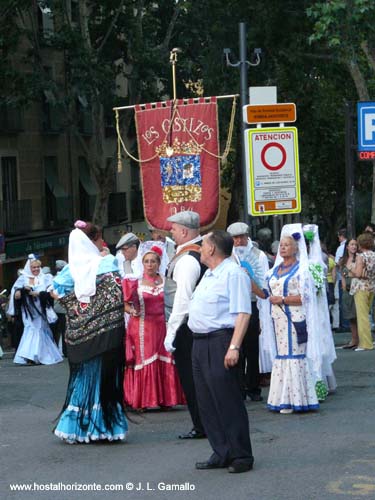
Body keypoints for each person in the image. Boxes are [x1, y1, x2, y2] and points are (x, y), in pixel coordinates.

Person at [53, 221, 128, 443]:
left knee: (83, 379)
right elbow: (117, 295)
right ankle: (104, 426)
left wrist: (76, 303)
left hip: (80, 337)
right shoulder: (107, 263)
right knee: (104, 379)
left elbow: (56, 293)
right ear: (93, 241)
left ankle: (77, 428)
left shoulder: (70, 270)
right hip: (106, 335)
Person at [188, 230, 254, 473]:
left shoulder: (233, 273)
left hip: (221, 341)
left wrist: (234, 346)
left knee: (227, 400)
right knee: (206, 401)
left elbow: (243, 313)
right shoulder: (210, 274)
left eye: (203, 244)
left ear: (213, 249)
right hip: (200, 341)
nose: (200, 248)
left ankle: (241, 455)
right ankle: (221, 450)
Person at [262, 223, 319, 414]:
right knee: (282, 356)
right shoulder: (273, 271)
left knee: (294, 356)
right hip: (277, 321)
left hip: (294, 319)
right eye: (281, 245)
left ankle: (298, 399)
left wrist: (283, 299)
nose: (283, 247)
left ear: (296, 248)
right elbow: (264, 293)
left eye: (287, 244)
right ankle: (283, 399)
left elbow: (306, 298)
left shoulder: (302, 270)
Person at [122, 245, 185, 410]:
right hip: (142, 327)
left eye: (153, 261)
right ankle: (143, 400)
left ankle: (166, 399)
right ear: (142, 264)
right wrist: (132, 310)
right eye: (147, 262)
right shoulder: (134, 282)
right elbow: (125, 304)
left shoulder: (167, 282)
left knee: (165, 358)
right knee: (145, 360)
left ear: (159, 263)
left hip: (162, 326)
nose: (150, 265)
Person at [163, 211, 206, 440]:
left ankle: (201, 424)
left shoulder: (189, 259)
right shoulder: (190, 253)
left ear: (184, 231)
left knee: (191, 378)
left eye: (174, 228)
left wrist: (172, 331)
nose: (171, 231)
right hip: (192, 325)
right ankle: (202, 423)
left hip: (187, 327)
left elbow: (183, 300)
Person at [227, 221, 268, 401]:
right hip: (233, 305)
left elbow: (263, 284)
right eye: (234, 238)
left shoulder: (258, 255)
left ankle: (253, 387)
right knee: (237, 347)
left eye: (241, 237)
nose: (238, 241)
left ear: (246, 236)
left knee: (252, 348)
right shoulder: (228, 255)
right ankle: (239, 387)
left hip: (252, 304)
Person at [8, 255, 62, 365]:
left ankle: (36, 356)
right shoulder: (23, 278)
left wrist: (39, 293)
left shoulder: (46, 278)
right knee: (30, 329)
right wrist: (21, 291)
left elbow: (51, 291)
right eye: (33, 267)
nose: (36, 269)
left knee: (40, 330)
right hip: (28, 311)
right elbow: (16, 292)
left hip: (41, 310)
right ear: (29, 268)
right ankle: (30, 356)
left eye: (38, 267)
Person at [303, 224, 337, 397]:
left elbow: (316, 290)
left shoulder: (315, 264)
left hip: (313, 312)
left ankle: (318, 383)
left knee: (316, 346)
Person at [350, 232, 375, 351]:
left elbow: (358, 273)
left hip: (361, 287)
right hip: (371, 286)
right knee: (367, 315)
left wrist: (351, 270)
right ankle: (369, 340)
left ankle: (365, 343)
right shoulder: (373, 255)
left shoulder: (361, 256)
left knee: (362, 316)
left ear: (361, 244)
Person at [339, 239, 359, 349]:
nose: (354, 246)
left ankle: (361, 339)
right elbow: (342, 275)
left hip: (357, 288)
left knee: (358, 316)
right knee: (350, 316)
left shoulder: (359, 259)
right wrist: (343, 288)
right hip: (347, 289)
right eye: (352, 244)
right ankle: (354, 339)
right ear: (347, 247)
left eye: (355, 245)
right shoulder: (343, 260)